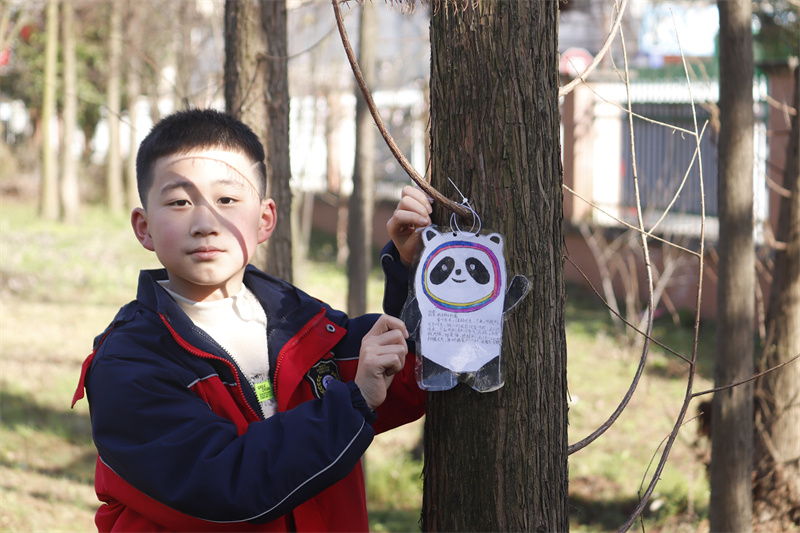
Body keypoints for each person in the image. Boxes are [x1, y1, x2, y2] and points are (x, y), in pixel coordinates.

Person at [71, 108, 434, 532]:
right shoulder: (128, 366)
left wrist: (418, 275)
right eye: (179, 202)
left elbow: (410, 377)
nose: (206, 222)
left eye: (226, 199)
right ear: (144, 226)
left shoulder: (304, 324)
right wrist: (354, 401)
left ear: (264, 220)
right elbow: (226, 485)